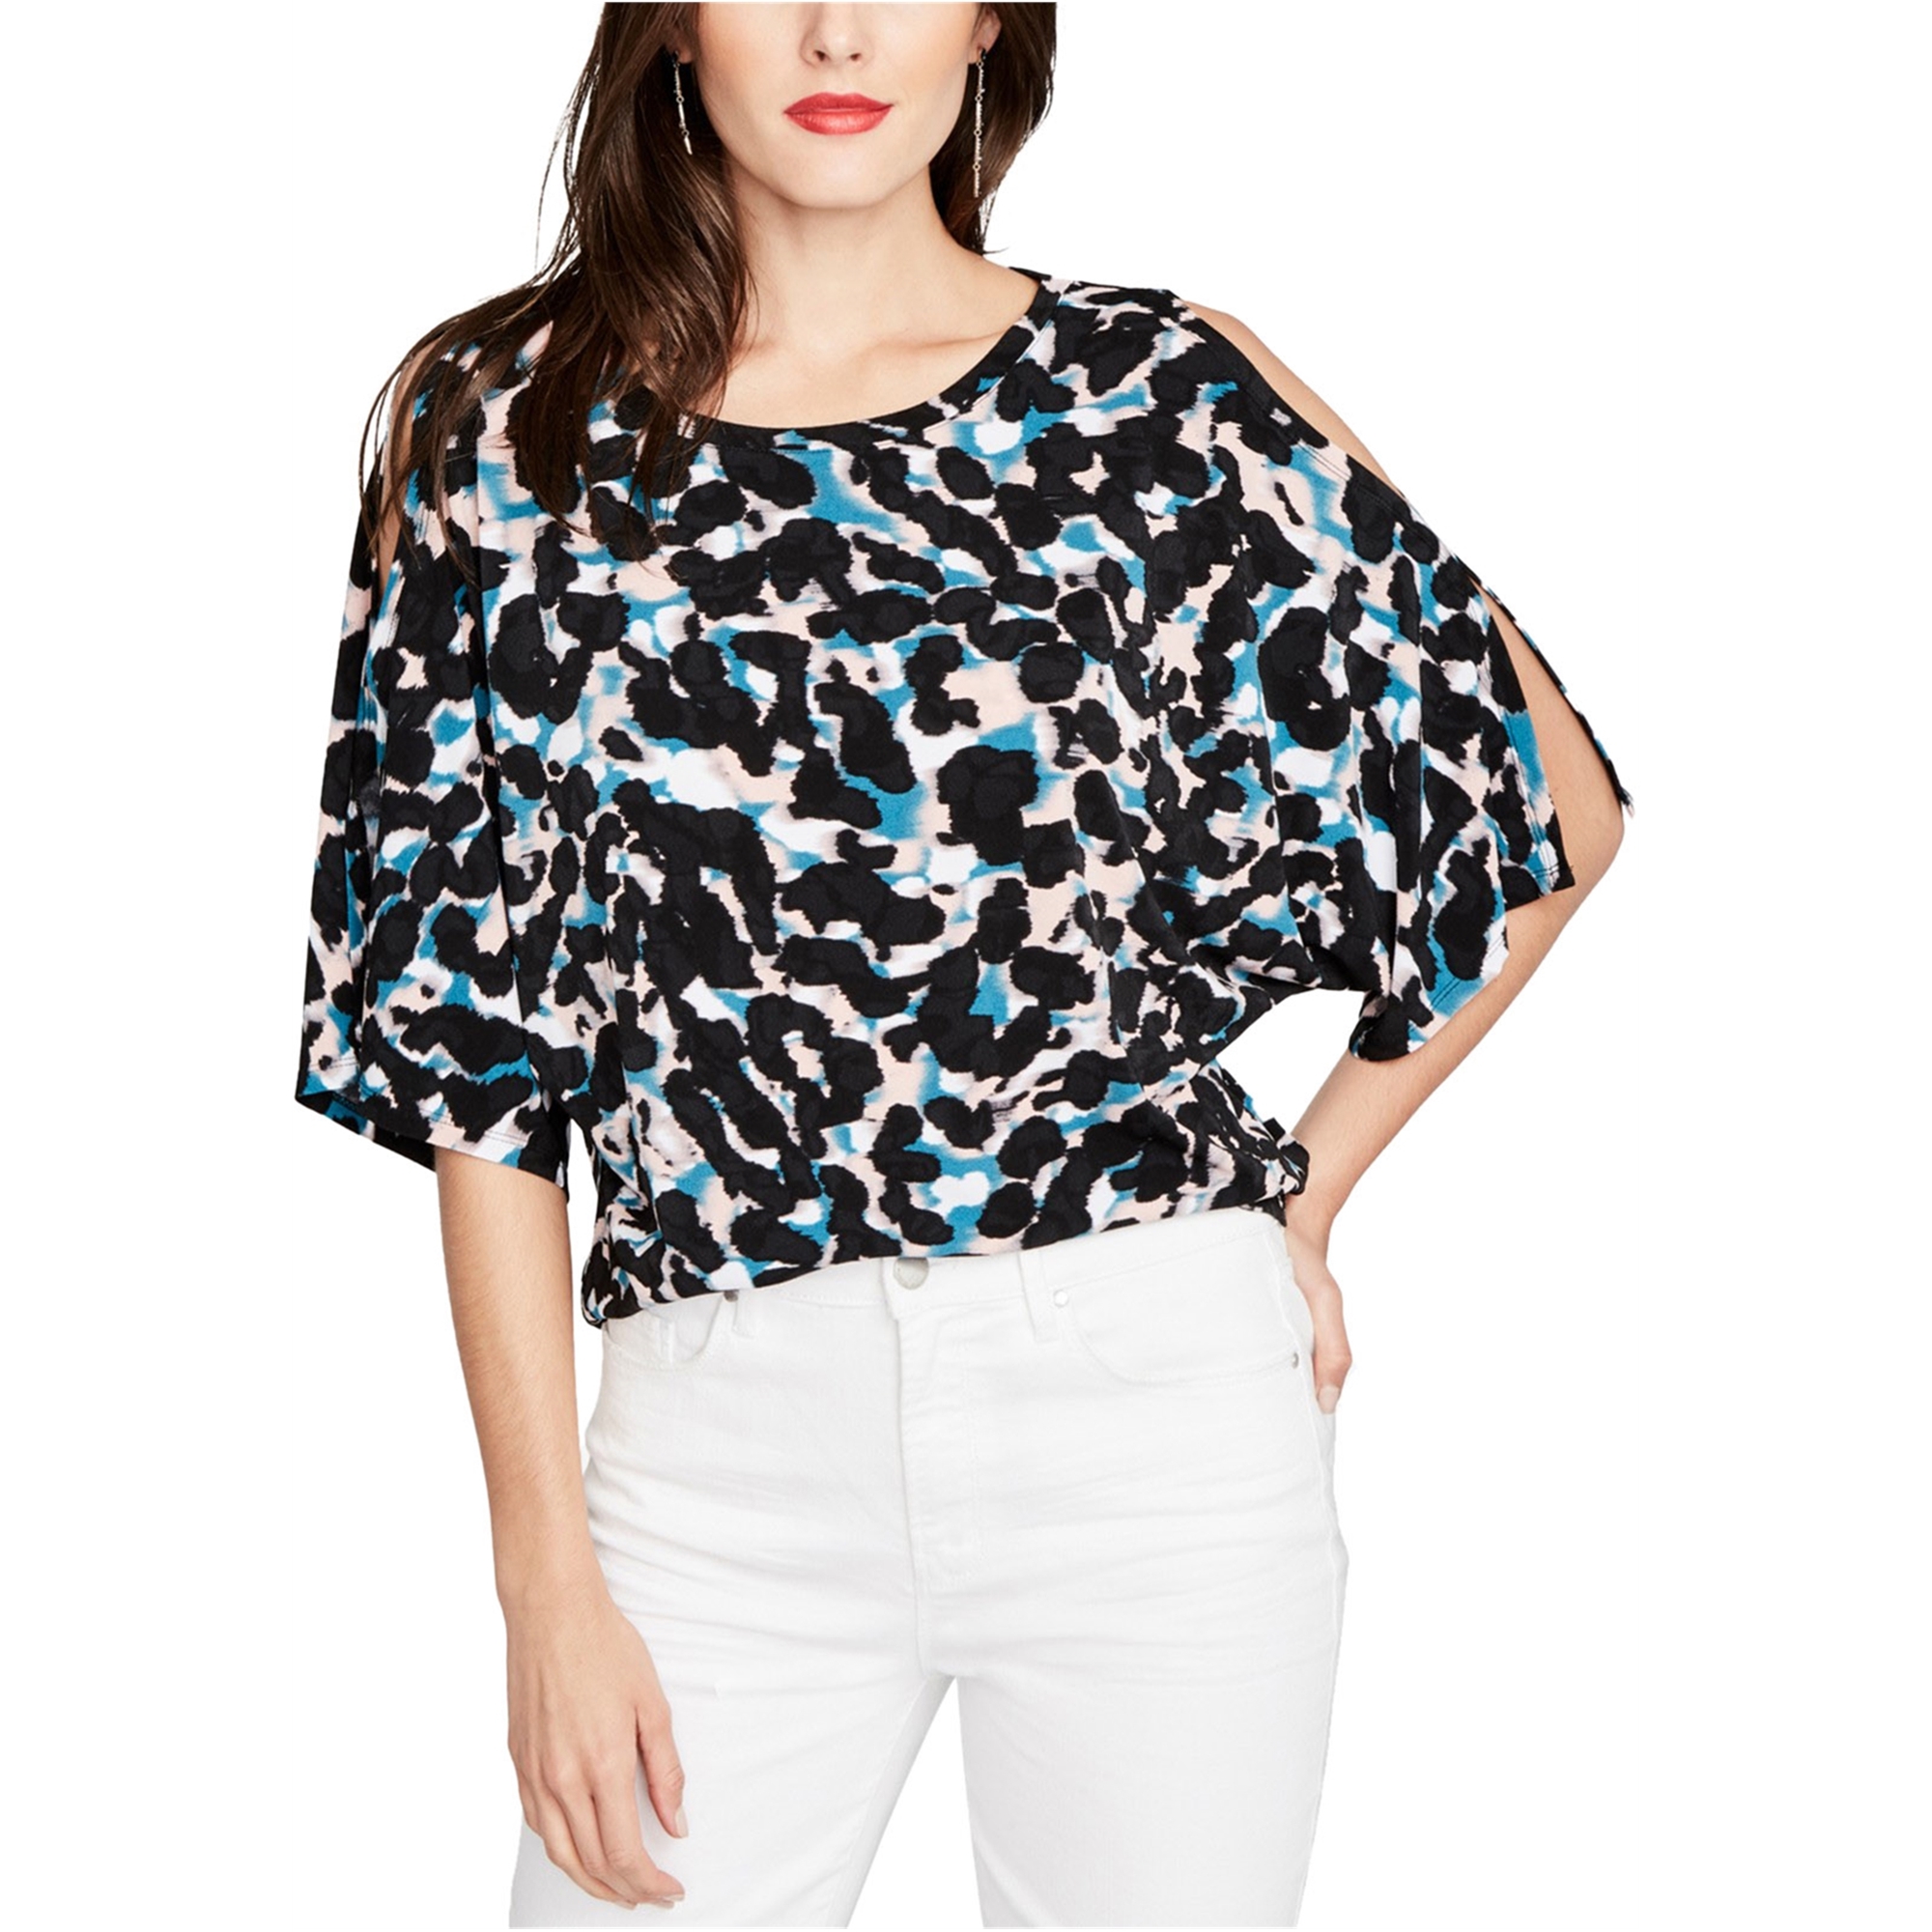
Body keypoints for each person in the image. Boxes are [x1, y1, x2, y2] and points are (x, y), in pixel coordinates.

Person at [291, 4, 1633, 1924]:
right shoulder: (507, 437)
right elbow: (472, 1059)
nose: (840, 31)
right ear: (671, 25)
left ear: (993, 15)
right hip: (719, 1453)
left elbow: (1546, 811)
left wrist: (1304, 1193)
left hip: (1149, 1418)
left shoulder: (1156, 397)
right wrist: (541, 1579)